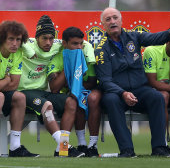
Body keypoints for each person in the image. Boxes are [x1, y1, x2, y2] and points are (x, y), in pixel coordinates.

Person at [94, 7, 170, 157]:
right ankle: (127, 150)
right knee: (110, 100)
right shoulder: (101, 49)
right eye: (108, 19)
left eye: (115, 18)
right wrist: (122, 93)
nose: (112, 21)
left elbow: (153, 38)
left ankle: (159, 148)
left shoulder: (133, 36)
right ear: (102, 25)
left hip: (140, 90)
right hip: (118, 93)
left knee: (157, 97)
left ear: (121, 20)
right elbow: (105, 81)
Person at [18, 15, 85, 157]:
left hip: (42, 91)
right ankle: (65, 147)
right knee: (47, 106)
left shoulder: (57, 46)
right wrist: (27, 49)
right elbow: (7, 35)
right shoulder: (27, 46)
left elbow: (83, 44)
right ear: (36, 38)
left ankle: (61, 150)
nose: (48, 42)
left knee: (71, 102)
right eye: (44, 38)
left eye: (51, 38)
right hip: (24, 92)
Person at [47, 26, 101, 157]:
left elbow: (92, 82)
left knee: (85, 97)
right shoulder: (57, 58)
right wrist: (70, 66)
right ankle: (65, 146)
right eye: (74, 44)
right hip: (65, 96)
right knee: (73, 100)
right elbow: (54, 88)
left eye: (81, 43)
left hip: (89, 91)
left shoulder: (86, 55)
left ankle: (92, 145)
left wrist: (74, 84)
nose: (79, 47)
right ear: (64, 43)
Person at [0, 20, 38, 157]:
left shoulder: (16, 54)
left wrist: (6, 81)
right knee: (1, 96)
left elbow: (14, 84)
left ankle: (15, 147)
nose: (15, 43)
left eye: (18, 40)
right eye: (11, 39)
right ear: (2, 38)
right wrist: (6, 79)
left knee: (19, 97)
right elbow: (9, 81)